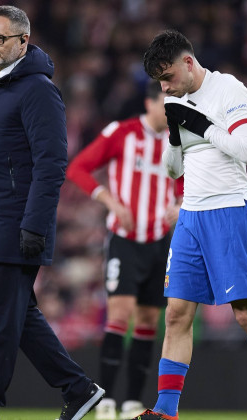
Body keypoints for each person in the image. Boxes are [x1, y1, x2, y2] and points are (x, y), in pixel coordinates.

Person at [132, 30, 247, 420]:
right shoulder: (175, 97)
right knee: (176, 313)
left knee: (245, 313)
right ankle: (165, 410)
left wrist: (199, 123)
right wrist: (176, 136)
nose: (165, 87)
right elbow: (172, 168)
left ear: (188, 63)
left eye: (169, 77)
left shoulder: (230, 89)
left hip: (229, 211)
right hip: (191, 215)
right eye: (159, 82)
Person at [0, 6, 104, 420]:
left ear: (22, 41)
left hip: (16, 224)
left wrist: (34, 224)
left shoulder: (37, 90)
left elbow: (52, 163)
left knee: (2, 320)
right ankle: (79, 388)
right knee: (19, 317)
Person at [66, 81, 182, 420]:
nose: (171, 108)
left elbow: (187, 185)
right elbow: (78, 168)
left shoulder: (179, 141)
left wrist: (180, 204)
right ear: (149, 102)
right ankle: (104, 399)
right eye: (166, 101)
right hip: (124, 240)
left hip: (160, 241)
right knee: (119, 314)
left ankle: (132, 400)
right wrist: (111, 202)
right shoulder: (123, 133)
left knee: (148, 320)